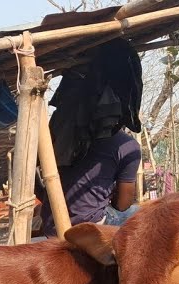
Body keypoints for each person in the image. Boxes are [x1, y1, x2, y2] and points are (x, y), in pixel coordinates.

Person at [37, 38, 143, 236]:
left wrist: (52, 199)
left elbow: (35, 180)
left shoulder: (54, 135)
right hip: (93, 224)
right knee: (141, 213)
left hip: (51, 224)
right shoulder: (127, 147)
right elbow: (122, 205)